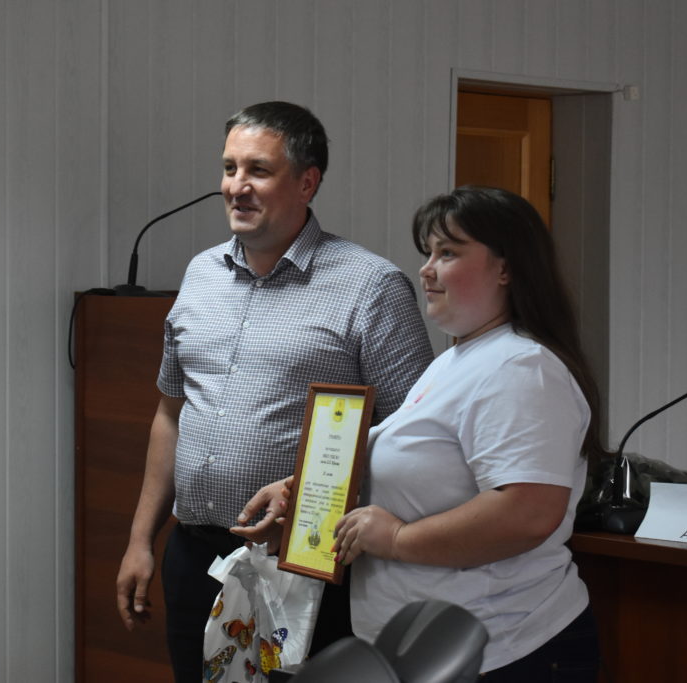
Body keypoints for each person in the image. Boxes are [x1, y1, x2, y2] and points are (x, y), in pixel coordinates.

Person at [114, 101, 433, 683]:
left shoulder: (371, 286)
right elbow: (171, 413)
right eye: (229, 168)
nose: (236, 186)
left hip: (304, 563)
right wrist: (141, 539)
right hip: (195, 556)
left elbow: (415, 433)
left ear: (307, 182)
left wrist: (306, 491)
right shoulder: (200, 274)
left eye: (257, 170)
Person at [235, 186, 606, 682]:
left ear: (506, 268)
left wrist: (396, 539)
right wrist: (305, 497)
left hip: (503, 649)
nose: (426, 269)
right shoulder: (456, 360)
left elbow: (528, 513)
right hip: (431, 647)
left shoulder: (521, 367)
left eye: (448, 253)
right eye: (428, 253)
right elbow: (421, 480)